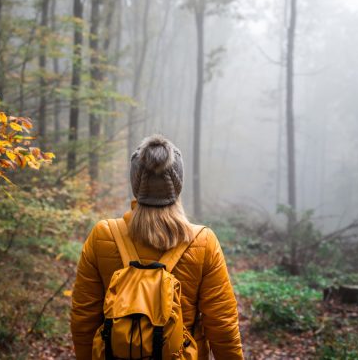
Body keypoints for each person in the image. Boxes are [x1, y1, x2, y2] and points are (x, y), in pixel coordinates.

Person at [70, 134, 243, 360]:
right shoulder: (203, 242)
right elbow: (222, 325)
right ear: (178, 185)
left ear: (136, 183)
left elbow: (83, 319)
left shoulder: (103, 235)